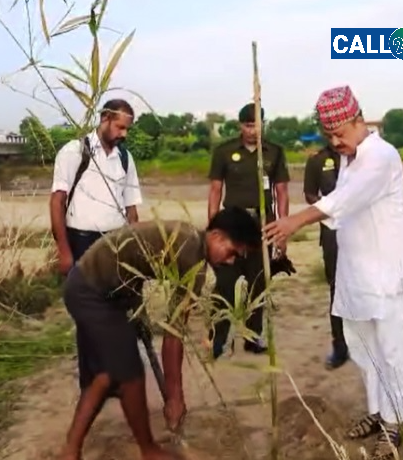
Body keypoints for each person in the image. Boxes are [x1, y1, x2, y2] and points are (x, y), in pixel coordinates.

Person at [263, 86, 403, 459]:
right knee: (361, 345)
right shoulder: (349, 157)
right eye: (329, 135)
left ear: (359, 120)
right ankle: (377, 412)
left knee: (391, 348)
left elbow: (344, 200)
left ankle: (395, 423)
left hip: (387, 271)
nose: (336, 141)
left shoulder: (380, 155)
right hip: (356, 270)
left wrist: (297, 220)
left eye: (341, 133)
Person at [58, 207, 262, 460]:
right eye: (233, 252)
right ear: (217, 236)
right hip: (93, 291)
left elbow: (136, 262)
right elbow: (173, 332)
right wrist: (175, 396)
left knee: (107, 376)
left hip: (99, 289)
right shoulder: (192, 257)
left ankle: (71, 449)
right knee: (130, 374)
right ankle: (148, 450)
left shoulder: (190, 240)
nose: (231, 261)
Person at [206, 102, 290, 359]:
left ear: (263, 123)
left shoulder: (274, 152)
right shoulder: (224, 151)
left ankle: (253, 338)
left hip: (261, 225)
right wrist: (213, 229)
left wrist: (282, 229)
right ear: (240, 125)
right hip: (232, 224)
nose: (252, 130)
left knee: (258, 284)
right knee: (225, 285)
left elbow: (282, 192)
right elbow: (215, 190)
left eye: (256, 124)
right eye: (247, 125)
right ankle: (218, 341)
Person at [50, 98, 143, 275]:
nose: (124, 135)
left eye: (127, 129)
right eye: (120, 127)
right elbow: (57, 203)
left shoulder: (125, 158)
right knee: (84, 299)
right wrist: (64, 251)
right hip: (81, 244)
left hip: (117, 242)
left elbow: (132, 210)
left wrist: (132, 248)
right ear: (105, 119)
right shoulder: (74, 151)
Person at [303, 142, 349, 369]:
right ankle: (340, 346)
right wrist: (330, 208)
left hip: (362, 228)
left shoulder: (361, 157)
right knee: (336, 288)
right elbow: (310, 194)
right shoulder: (317, 160)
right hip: (332, 229)